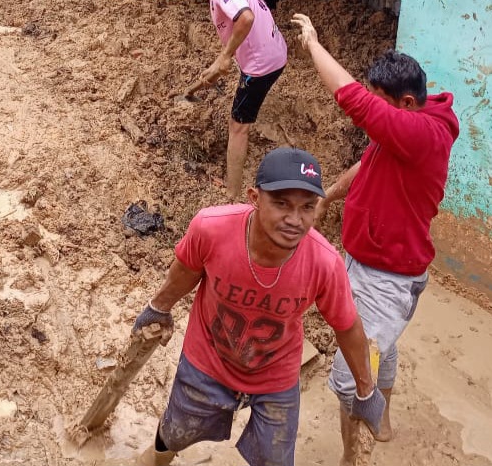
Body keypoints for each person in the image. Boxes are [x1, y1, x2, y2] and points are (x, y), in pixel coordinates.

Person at [130, 147, 386, 466]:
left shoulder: (324, 263)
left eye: (307, 207)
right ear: (254, 197)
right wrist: (159, 307)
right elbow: (185, 272)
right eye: (281, 204)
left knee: (275, 460)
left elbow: (347, 327)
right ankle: (156, 457)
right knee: (175, 433)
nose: (294, 220)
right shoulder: (212, 229)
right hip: (208, 361)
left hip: (275, 376)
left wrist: (365, 390)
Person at [290, 13, 459, 464]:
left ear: (404, 104)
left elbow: (354, 102)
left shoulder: (423, 134)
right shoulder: (406, 131)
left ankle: (354, 456)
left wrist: (312, 44)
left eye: (382, 103)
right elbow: (368, 164)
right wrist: (326, 198)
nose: (373, 110)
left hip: (387, 277)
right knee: (382, 347)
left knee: (349, 381)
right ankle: (381, 420)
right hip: (374, 264)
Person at [175, 0, 287, 200]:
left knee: (238, 126)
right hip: (271, 51)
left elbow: (245, 17)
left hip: (261, 65)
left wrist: (224, 57)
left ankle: (232, 195)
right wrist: (220, 62)